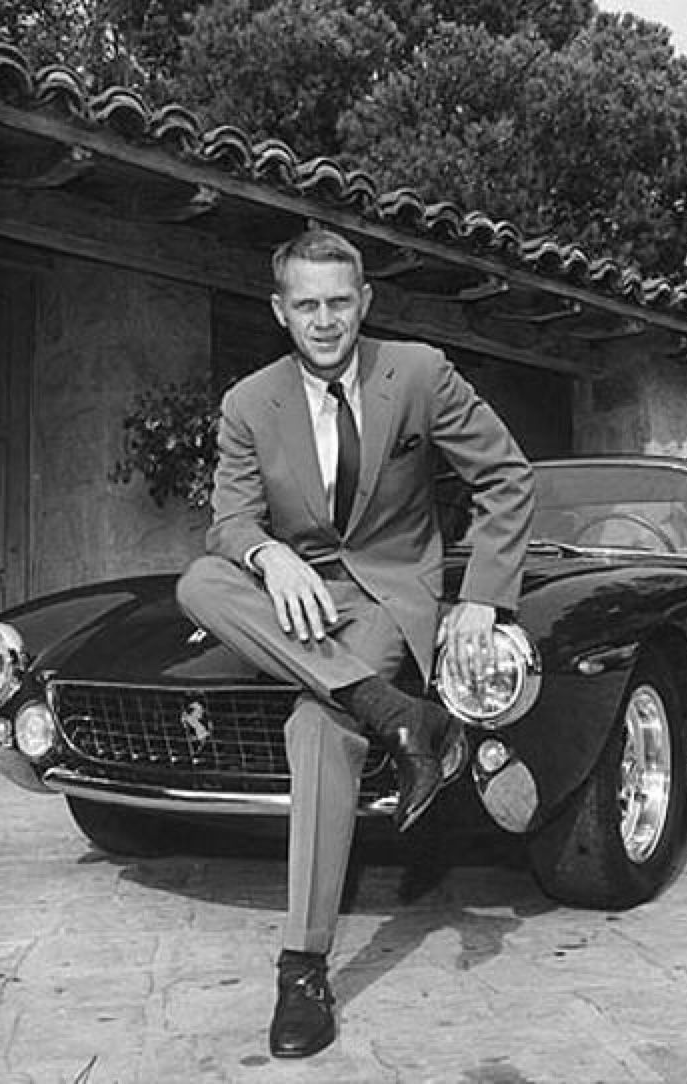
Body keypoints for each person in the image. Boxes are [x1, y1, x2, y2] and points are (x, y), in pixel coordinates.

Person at [177, 228, 534, 1059]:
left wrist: (483, 600)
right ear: (280, 311)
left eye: (341, 301)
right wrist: (267, 557)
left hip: (386, 595)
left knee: (319, 728)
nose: (326, 320)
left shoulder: (417, 372)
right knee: (200, 578)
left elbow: (506, 476)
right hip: (291, 598)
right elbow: (230, 521)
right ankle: (405, 719)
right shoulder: (247, 403)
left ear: (365, 301)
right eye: (307, 304)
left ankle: (302, 966)